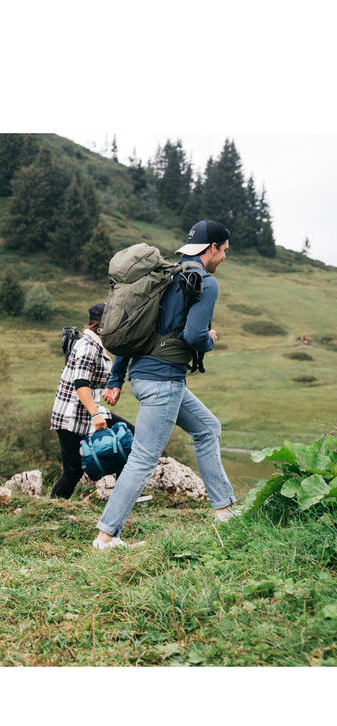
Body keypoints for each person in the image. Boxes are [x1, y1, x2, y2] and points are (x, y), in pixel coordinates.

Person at [92, 220, 238, 550]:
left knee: (207, 428)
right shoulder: (204, 282)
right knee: (143, 458)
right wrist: (210, 341)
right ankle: (106, 536)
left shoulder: (165, 275)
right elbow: (193, 336)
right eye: (224, 250)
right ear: (211, 248)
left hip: (146, 377)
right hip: (163, 382)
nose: (224, 257)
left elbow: (133, 334)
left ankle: (225, 510)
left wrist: (117, 377)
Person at [50, 302, 135, 499]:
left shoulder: (95, 345)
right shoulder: (88, 347)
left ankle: (123, 496)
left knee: (130, 439)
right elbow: (81, 384)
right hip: (72, 415)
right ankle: (52, 508)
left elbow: (88, 380)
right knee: (73, 471)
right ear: (103, 326)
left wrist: (107, 390)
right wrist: (96, 414)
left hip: (83, 411)